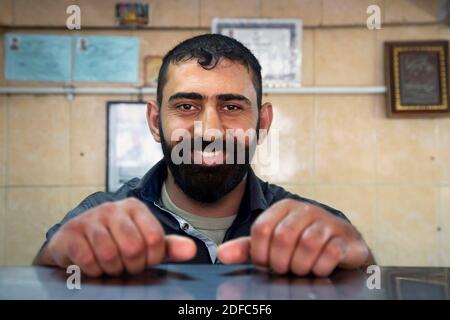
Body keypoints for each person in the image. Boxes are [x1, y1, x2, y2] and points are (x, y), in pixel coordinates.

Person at [33, 34, 374, 277]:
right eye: (186, 106)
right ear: (155, 122)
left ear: (263, 121)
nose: (209, 131)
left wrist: (360, 259)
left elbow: (365, 273)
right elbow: (41, 276)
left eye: (231, 106)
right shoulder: (97, 216)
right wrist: (55, 257)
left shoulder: (308, 225)